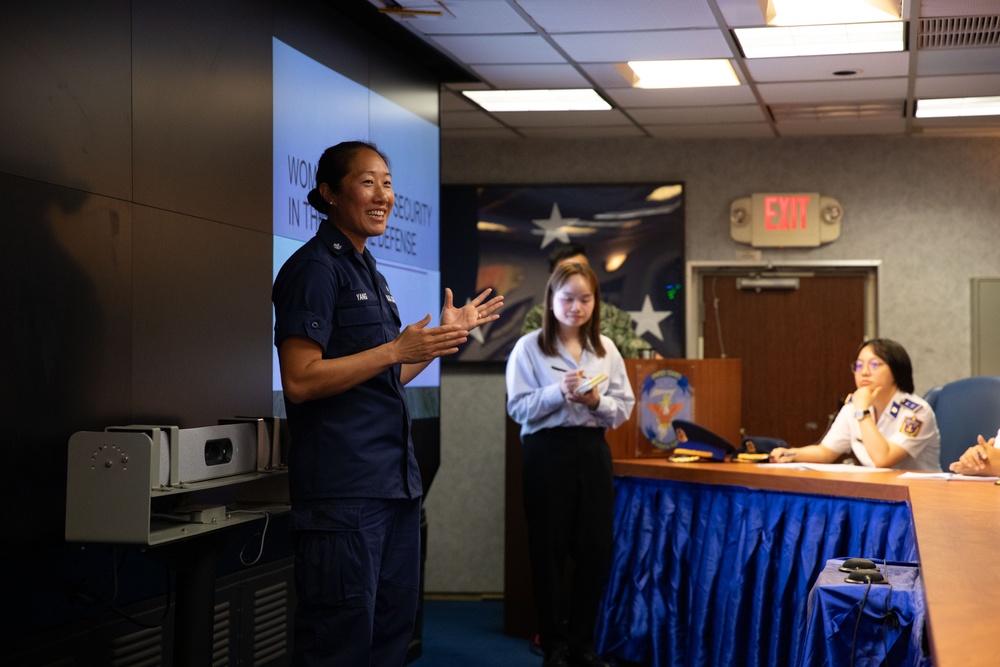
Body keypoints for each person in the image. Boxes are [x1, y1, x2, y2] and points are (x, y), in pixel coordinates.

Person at [272, 141, 503, 666]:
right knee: (340, 646)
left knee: (389, 642)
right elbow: (301, 381)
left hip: (394, 489)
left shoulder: (369, 270)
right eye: (368, 181)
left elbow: (387, 375)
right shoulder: (313, 270)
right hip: (343, 497)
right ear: (329, 193)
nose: (384, 196)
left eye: (389, 182)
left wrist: (445, 335)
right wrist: (394, 347)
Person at [506, 262, 636, 667]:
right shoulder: (529, 347)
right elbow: (517, 408)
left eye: (585, 299)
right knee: (548, 550)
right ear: (551, 300)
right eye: (567, 298)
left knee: (595, 550)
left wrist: (597, 402)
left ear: (595, 303)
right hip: (547, 450)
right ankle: (554, 646)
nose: (576, 307)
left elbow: (624, 407)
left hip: (592, 449)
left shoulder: (606, 349)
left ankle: (583, 644)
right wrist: (556, 393)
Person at [769, 338, 941, 471]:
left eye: (875, 365)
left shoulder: (916, 412)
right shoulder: (854, 406)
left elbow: (883, 460)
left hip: (917, 497)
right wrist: (792, 454)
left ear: (896, 370)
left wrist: (863, 412)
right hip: (876, 493)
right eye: (859, 366)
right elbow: (826, 452)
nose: (864, 372)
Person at [521, 243, 652, 359]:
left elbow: (636, 349)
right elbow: (533, 357)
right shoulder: (537, 317)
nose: (577, 276)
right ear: (552, 278)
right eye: (568, 272)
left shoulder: (611, 314)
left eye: (583, 270)